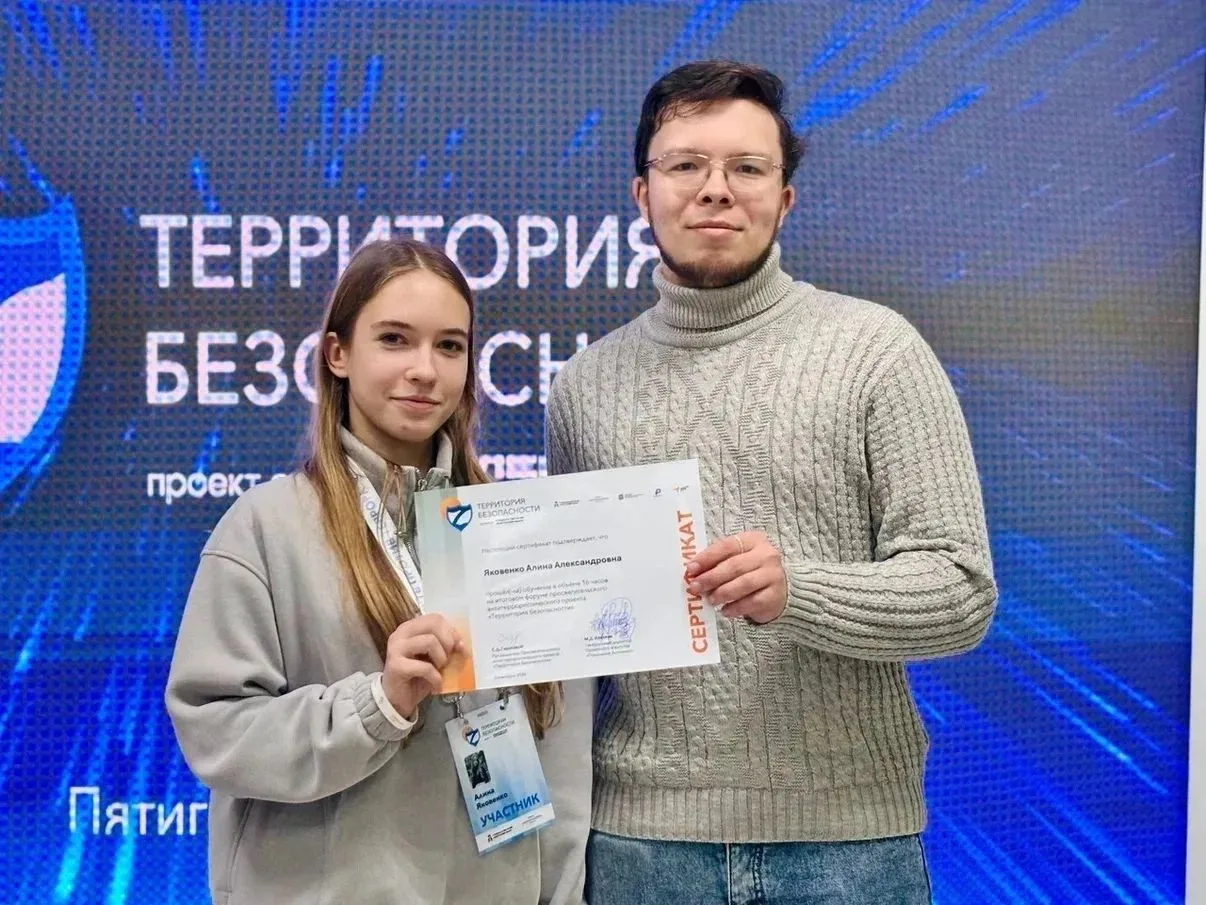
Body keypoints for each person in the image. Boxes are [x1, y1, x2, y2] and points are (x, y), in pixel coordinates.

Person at [544, 60, 998, 904]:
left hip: (848, 848)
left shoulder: (877, 351)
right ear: (642, 194)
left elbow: (961, 592)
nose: (715, 188)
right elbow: (579, 633)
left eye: (747, 167)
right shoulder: (584, 387)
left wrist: (799, 590)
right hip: (642, 846)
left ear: (784, 198)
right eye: (686, 164)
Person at [166, 238, 591, 905]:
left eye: (449, 346)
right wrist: (377, 705)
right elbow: (215, 732)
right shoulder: (265, 527)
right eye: (395, 339)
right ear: (337, 354)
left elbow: (557, 748)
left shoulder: (512, 532)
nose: (425, 369)